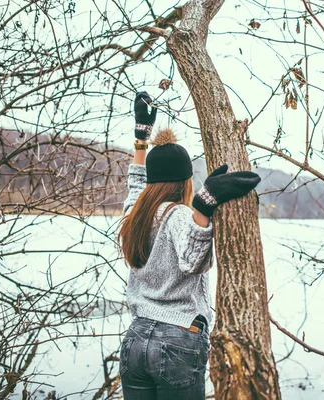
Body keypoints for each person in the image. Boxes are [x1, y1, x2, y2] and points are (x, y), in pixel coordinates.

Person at [118, 91, 261, 400]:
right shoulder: (179, 215)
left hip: (136, 339)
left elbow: (135, 184)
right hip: (178, 338)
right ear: (186, 182)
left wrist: (142, 136)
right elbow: (193, 261)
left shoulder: (135, 216)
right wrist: (204, 207)